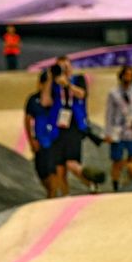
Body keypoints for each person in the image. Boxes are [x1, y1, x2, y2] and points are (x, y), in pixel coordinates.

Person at [50, 55, 103, 194]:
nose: (64, 70)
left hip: (74, 126)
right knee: (59, 168)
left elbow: (82, 94)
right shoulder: (53, 84)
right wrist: (52, 79)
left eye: (66, 67)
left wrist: (67, 84)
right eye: (61, 67)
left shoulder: (78, 79)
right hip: (58, 127)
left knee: (71, 163)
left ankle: (91, 182)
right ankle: (64, 196)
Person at [25, 70, 63, 198]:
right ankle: (50, 193)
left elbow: (47, 102)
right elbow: (28, 120)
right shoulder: (33, 99)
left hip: (54, 139)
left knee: (52, 169)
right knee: (41, 171)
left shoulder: (55, 98)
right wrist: (31, 140)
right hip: (40, 139)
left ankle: (53, 195)